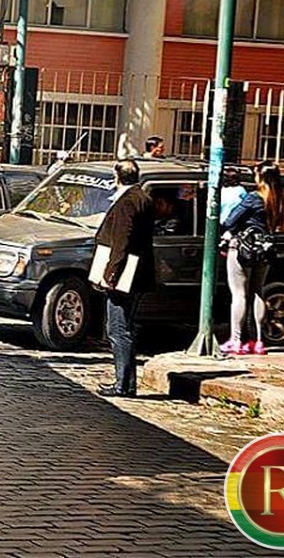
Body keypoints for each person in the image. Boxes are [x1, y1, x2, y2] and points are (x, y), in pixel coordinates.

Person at [93, 158, 155, 398]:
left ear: (118, 176)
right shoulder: (143, 197)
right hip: (137, 272)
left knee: (118, 329)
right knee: (125, 328)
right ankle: (127, 383)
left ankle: (122, 384)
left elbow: (122, 241)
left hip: (125, 274)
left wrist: (111, 273)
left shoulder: (127, 202)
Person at [220, 160, 284, 355]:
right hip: (265, 250)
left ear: (261, 177)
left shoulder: (253, 198)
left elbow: (229, 220)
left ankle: (236, 340)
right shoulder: (279, 199)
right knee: (258, 292)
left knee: (239, 294)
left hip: (244, 249)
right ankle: (258, 341)